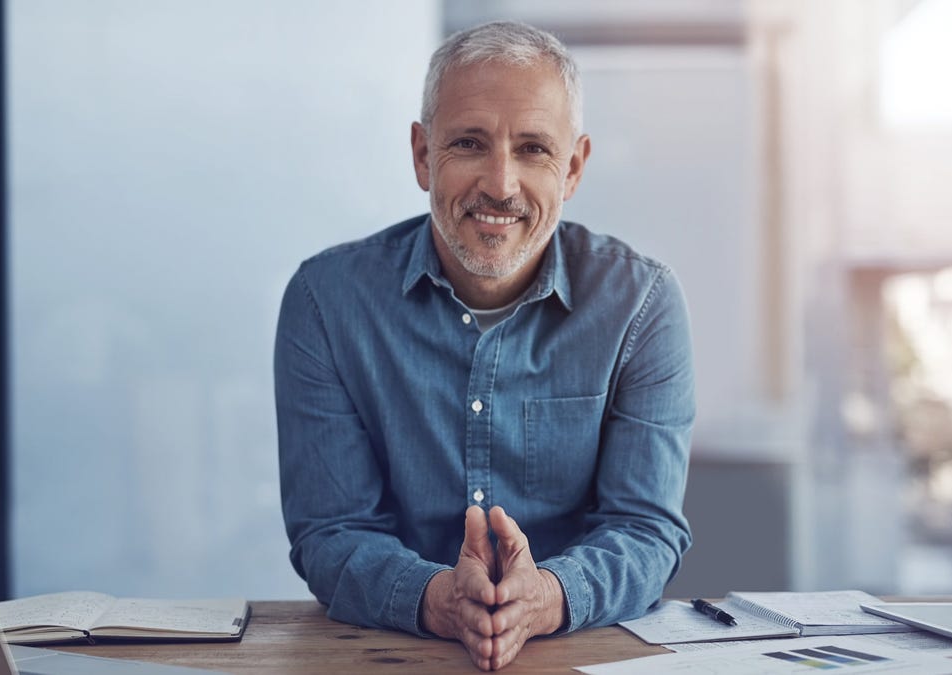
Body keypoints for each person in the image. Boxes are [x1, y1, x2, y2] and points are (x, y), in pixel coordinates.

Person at [275, 20, 694, 671]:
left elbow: (645, 530)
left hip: (582, 653)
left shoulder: (640, 306)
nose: (501, 184)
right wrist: (435, 596)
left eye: (533, 149)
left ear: (575, 167)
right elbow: (332, 532)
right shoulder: (326, 302)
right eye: (470, 143)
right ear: (422, 155)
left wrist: (546, 596)